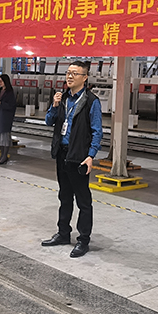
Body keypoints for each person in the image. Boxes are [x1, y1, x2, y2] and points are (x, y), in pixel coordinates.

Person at [42, 61, 103, 258]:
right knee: (64, 196)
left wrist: (90, 156)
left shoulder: (91, 101)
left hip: (79, 157)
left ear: (84, 78)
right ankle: (63, 233)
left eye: (74, 73)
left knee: (83, 201)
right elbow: (49, 121)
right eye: (68, 73)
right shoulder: (62, 98)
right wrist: (54, 105)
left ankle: (83, 240)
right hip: (62, 154)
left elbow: (97, 131)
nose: (69, 76)